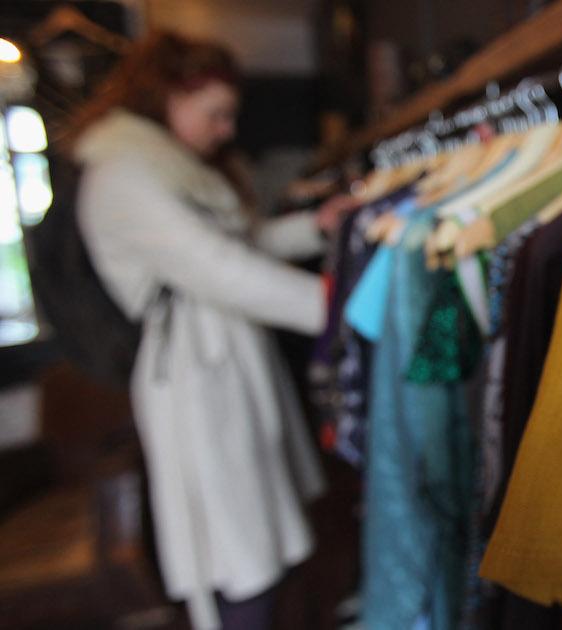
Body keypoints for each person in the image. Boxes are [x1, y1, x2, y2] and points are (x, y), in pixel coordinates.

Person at [68, 31, 355, 630]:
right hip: (198, 376)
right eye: (215, 114)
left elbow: (239, 245)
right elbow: (219, 269)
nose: (226, 130)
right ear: (167, 95)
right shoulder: (124, 175)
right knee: (237, 545)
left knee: (258, 530)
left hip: (229, 360)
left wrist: (317, 227)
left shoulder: (171, 170)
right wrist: (348, 306)